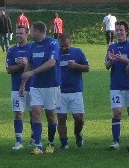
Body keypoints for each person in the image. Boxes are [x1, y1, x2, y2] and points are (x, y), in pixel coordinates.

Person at [20, 21, 61, 154]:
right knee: (36, 113)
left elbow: (52, 62)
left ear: (37, 31)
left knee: (50, 115)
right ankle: (38, 146)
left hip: (51, 85)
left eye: (31, 30)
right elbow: (29, 64)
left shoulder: (52, 43)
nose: (30, 33)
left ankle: (50, 143)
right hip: (35, 86)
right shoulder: (32, 46)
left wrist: (33, 72)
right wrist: (23, 84)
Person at [105, 20, 129, 149]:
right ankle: (116, 141)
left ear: (126, 32)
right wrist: (111, 61)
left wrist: (125, 60)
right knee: (117, 112)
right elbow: (107, 66)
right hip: (116, 86)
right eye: (116, 30)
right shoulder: (111, 47)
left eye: (121, 30)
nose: (118, 32)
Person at [56, 33, 89, 150]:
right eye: (61, 47)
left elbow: (87, 68)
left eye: (66, 46)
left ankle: (78, 132)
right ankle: (64, 143)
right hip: (60, 92)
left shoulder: (78, 52)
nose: (64, 49)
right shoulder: (54, 54)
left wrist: (76, 65)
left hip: (76, 90)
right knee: (61, 118)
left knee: (79, 117)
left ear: (70, 42)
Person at [6, 25, 32, 150]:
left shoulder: (33, 49)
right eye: (17, 33)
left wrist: (27, 64)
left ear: (27, 34)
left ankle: (34, 137)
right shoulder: (11, 51)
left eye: (21, 33)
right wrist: (20, 66)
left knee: (34, 113)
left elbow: (39, 66)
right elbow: (8, 70)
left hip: (32, 87)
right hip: (16, 87)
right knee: (18, 114)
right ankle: (19, 141)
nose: (18, 35)